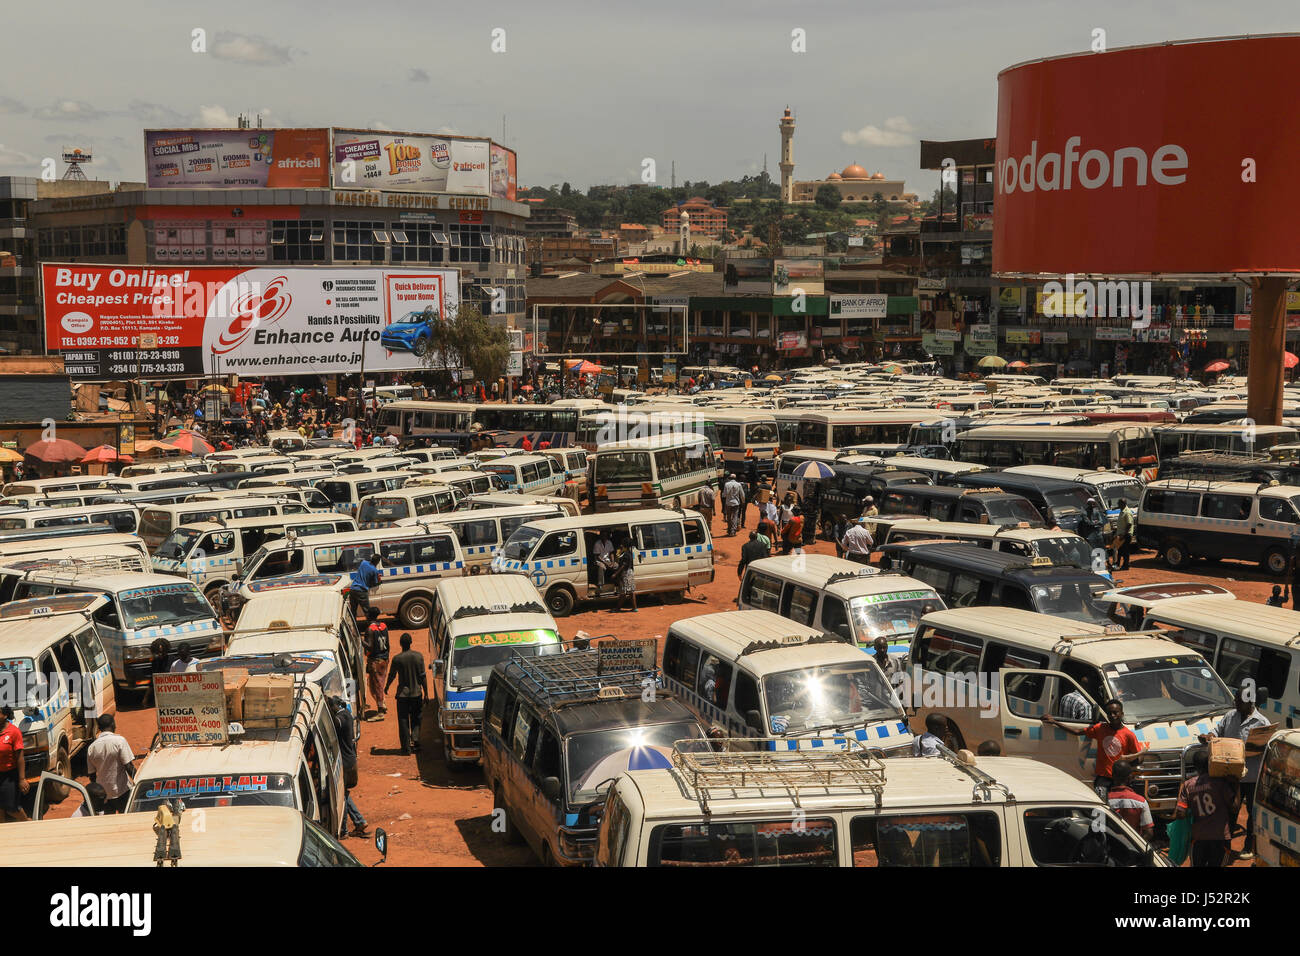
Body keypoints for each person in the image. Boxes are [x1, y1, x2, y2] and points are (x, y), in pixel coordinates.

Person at [1200, 682, 1272, 860]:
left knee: (1252, 816)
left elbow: (1268, 749)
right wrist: (1210, 736)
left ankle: (1248, 847)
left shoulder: (1262, 722)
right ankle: (1225, 847)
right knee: (1229, 812)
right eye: (1236, 699)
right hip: (1230, 775)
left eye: (1239, 700)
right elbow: (1216, 731)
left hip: (1252, 777)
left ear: (1250, 702)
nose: (1235, 703)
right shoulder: (1229, 716)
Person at [1042, 698, 1144, 800]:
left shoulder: (1129, 735)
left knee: (1117, 809)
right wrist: (1055, 722)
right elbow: (1077, 731)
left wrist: (1126, 765)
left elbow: (1140, 757)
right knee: (1101, 809)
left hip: (1119, 781)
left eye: (1115, 712)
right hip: (1103, 778)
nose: (1112, 716)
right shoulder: (1100, 728)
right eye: (1109, 713)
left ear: (1122, 714)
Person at [1177, 748, 1241, 867]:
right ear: (1210, 763)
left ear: (1195, 766)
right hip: (1220, 837)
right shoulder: (1220, 782)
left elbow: (1180, 814)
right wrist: (1236, 784)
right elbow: (1235, 808)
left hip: (1199, 838)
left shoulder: (1187, 785)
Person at [329, 696, 368, 837]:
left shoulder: (340, 718)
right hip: (350, 759)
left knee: (342, 795)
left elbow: (335, 723)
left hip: (344, 763)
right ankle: (359, 821)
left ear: (334, 707)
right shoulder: (347, 714)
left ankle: (344, 829)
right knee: (344, 793)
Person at [384, 633, 428, 756]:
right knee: (417, 718)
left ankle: (406, 748)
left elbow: (392, 675)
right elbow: (422, 676)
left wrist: (387, 686)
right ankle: (416, 741)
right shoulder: (418, 657)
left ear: (400, 643)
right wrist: (426, 693)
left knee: (403, 721)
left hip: (402, 695)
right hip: (416, 694)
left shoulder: (397, 659)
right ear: (411, 642)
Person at [85, 714, 135, 814]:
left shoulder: (91, 748)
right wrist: (139, 782)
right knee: (127, 820)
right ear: (113, 724)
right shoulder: (119, 741)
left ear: (99, 728)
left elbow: (92, 776)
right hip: (123, 791)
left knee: (110, 822)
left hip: (104, 796)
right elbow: (129, 767)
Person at [1106, 760, 1155, 838]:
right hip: (1132, 848)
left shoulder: (1103, 801)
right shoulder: (1141, 801)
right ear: (1130, 777)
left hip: (1110, 847)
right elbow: (1149, 833)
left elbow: (1097, 828)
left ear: (1112, 776)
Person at [0, 705, 28, 822]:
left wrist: (22, 779)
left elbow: (20, 757)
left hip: (10, 776)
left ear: (5, 716)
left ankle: (28, 824)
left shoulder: (13, 732)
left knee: (11, 808)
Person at [363, 606, 390, 721]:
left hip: (375, 660)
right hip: (384, 659)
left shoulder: (370, 629)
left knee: (377, 686)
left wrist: (359, 640)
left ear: (369, 616)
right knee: (378, 685)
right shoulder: (384, 626)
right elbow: (388, 644)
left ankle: (380, 712)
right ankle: (382, 703)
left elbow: (370, 646)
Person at [349, 552, 382, 621]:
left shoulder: (363, 563)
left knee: (353, 611)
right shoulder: (374, 571)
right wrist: (379, 581)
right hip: (361, 591)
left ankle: (353, 629)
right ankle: (371, 627)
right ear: (378, 562)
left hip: (352, 589)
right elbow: (374, 584)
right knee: (367, 612)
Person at [737, 533, 769, 598]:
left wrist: (739, 572)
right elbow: (765, 557)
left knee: (748, 585)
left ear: (749, 537)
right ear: (756, 537)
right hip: (760, 568)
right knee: (759, 585)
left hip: (750, 569)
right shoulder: (763, 545)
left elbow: (743, 560)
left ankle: (748, 597)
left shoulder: (745, 546)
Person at [614, 536, 638, 612]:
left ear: (624, 544)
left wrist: (616, 574)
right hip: (629, 573)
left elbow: (623, 566)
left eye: (622, 543)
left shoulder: (626, 554)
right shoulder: (627, 553)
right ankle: (634, 608)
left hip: (626, 573)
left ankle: (618, 608)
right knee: (631, 592)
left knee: (623, 592)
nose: (621, 545)